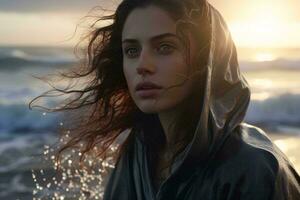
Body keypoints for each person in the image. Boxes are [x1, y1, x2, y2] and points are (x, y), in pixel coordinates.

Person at [30, 0, 300, 199]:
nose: (142, 65)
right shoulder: (137, 153)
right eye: (132, 50)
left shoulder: (254, 168)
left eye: (165, 47)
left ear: (207, 59)